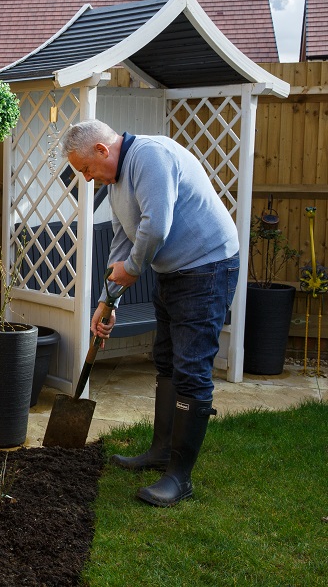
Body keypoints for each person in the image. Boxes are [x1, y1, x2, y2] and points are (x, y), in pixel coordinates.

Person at [61, 119, 239, 507]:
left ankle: (180, 477)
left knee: (191, 368)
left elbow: (156, 227)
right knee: (167, 360)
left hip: (208, 267)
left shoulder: (150, 157)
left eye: (86, 169)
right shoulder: (118, 180)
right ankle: (161, 451)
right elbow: (124, 242)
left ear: (103, 151)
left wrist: (134, 270)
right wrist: (107, 303)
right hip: (174, 272)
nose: (87, 179)